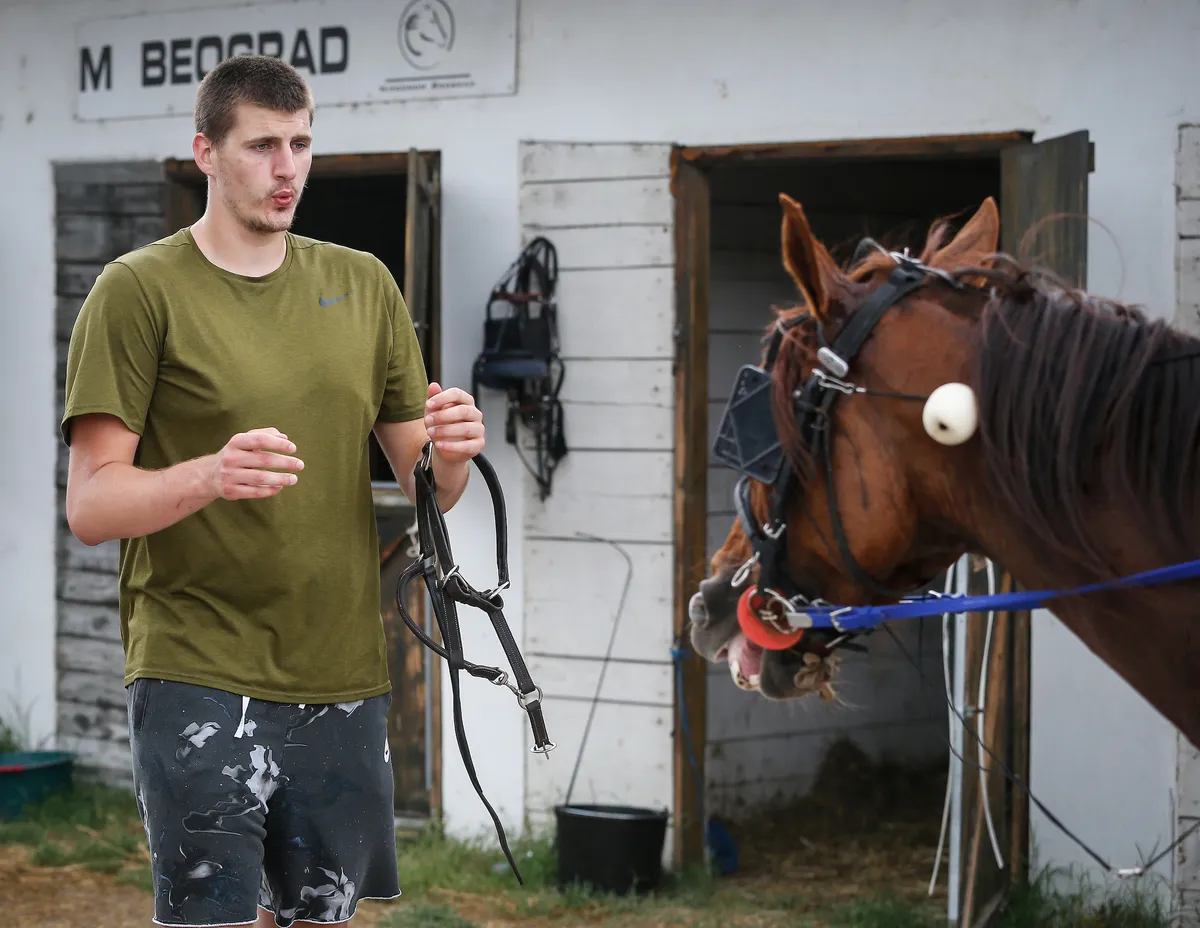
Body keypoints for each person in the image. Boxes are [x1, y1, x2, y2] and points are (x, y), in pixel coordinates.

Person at [60, 53, 484, 927]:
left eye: (301, 144)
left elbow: (430, 490)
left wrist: (454, 456)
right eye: (261, 145)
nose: (286, 167)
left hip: (339, 670)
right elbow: (92, 505)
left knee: (320, 920)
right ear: (206, 153)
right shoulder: (138, 291)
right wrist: (209, 475)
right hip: (196, 667)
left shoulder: (363, 284)